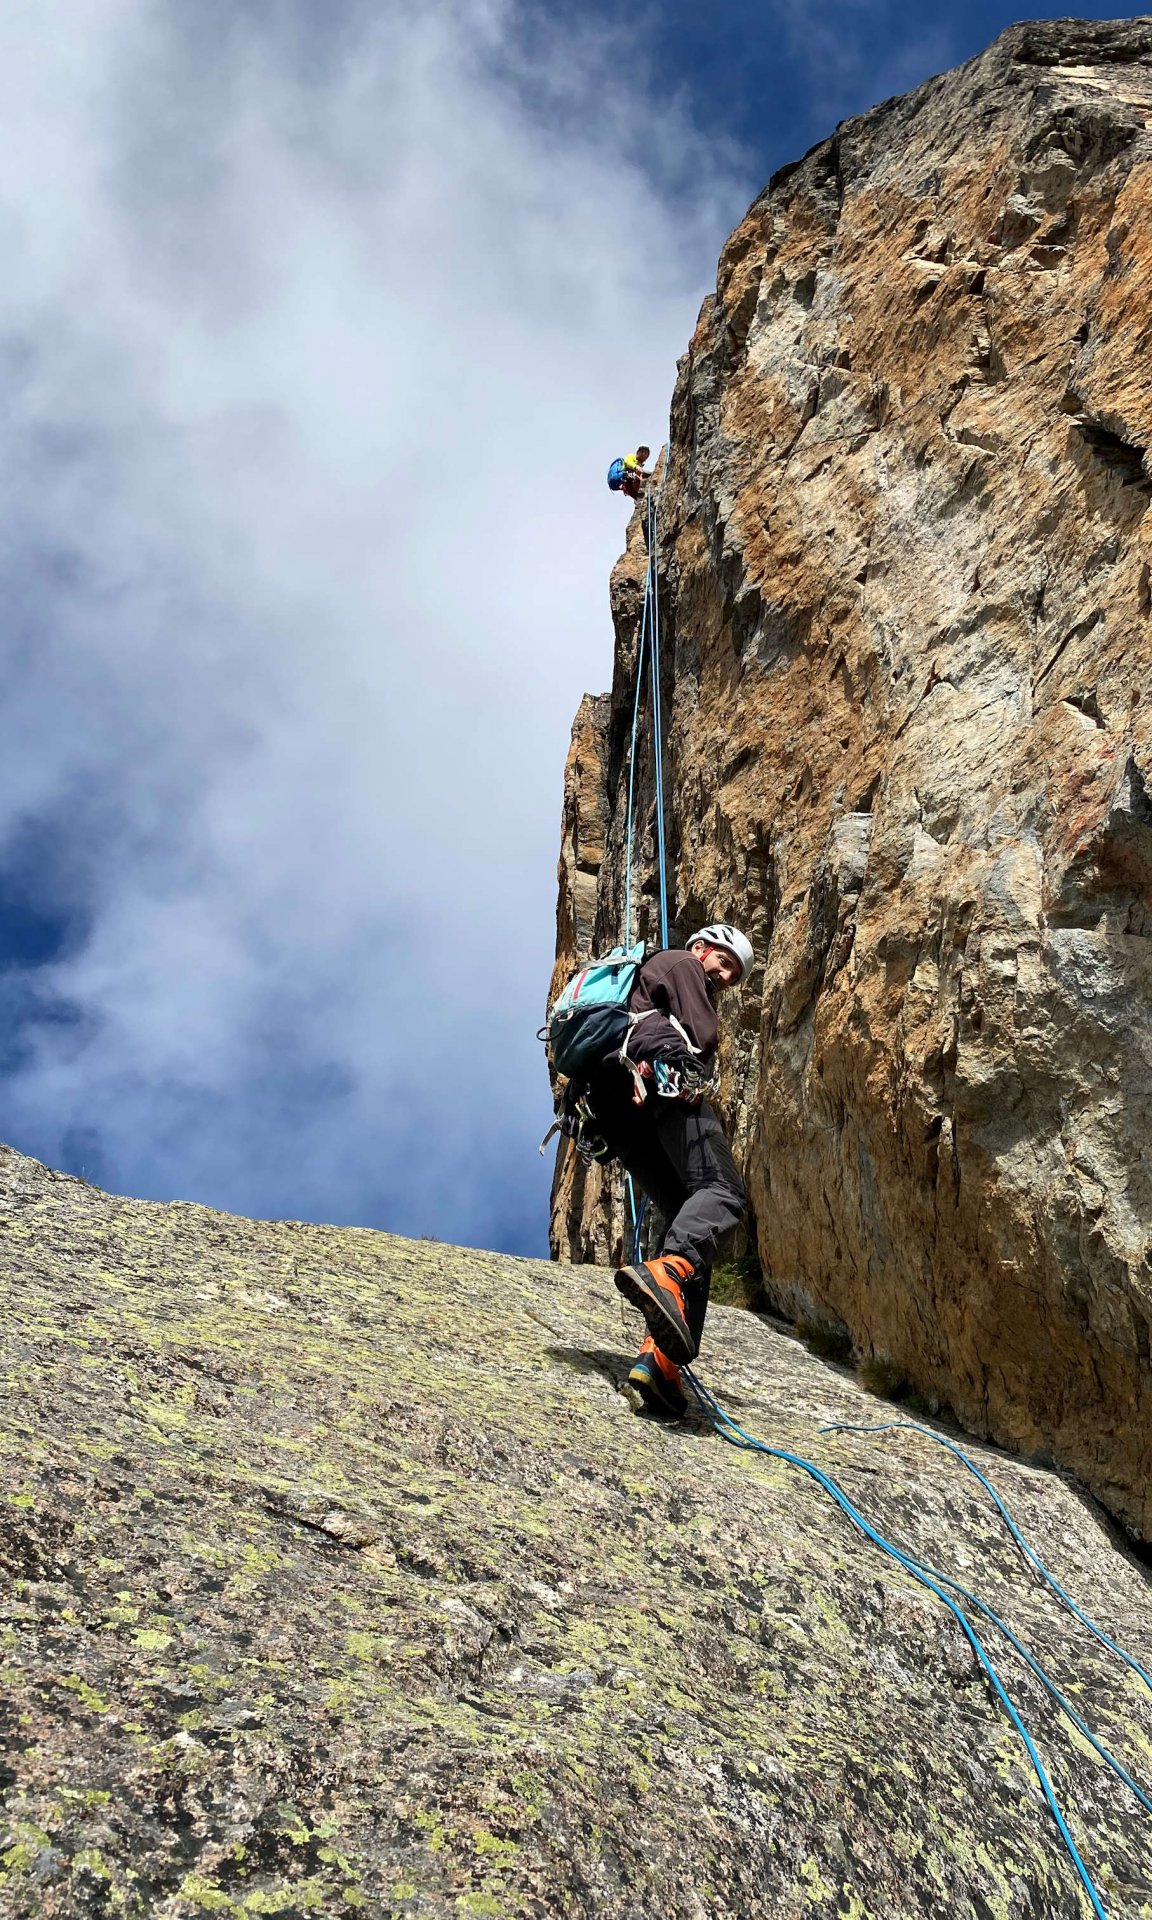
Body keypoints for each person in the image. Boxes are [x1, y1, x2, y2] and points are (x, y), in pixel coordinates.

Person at [581, 923, 754, 1418]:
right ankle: (666, 1272)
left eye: (734, 975)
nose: (725, 976)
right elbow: (703, 1034)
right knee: (722, 1192)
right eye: (724, 962)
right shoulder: (681, 962)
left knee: (688, 1216)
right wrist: (697, 1064)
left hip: (619, 1114)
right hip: (658, 1083)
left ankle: (660, 1364)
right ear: (702, 947)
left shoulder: (645, 984)